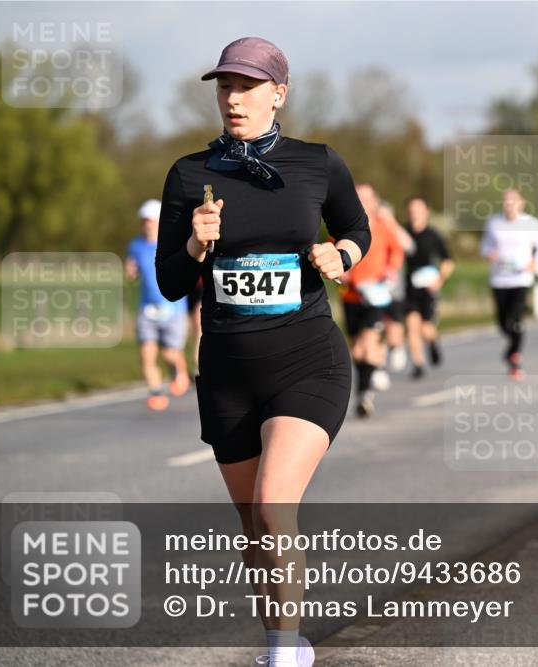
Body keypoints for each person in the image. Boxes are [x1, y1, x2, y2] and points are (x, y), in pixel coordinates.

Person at [155, 37, 370, 667]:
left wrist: (342, 255)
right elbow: (169, 282)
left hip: (307, 361)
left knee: (274, 505)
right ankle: (284, 641)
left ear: (278, 94)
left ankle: (283, 657)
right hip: (228, 374)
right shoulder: (189, 175)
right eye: (225, 86)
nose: (233, 98)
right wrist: (194, 246)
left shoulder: (317, 163)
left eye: (247, 87)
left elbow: (356, 228)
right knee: (255, 523)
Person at [338, 185, 406, 417]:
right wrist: (341, 270)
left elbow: (397, 251)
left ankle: (364, 393)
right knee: (357, 349)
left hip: (375, 294)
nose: (362, 202)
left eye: (367, 198)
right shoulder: (342, 225)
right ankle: (369, 378)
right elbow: (334, 252)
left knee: (369, 340)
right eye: (358, 197)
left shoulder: (383, 226)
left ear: (375, 202)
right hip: (351, 295)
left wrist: (391, 269)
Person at [481, 189, 538, 379]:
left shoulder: (531, 223)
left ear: (522, 203)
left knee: (516, 319)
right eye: (506, 201)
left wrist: (535, 263)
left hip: (521, 279)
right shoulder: (494, 222)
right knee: (503, 324)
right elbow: (485, 246)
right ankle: (511, 350)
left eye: (513, 201)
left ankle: (514, 357)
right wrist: (489, 254)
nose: (509, 205)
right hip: (499, 279)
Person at [126, 198, 190, 411]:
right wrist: (131, 272)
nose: (147, 224)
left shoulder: (172, 242)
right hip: (147, 308)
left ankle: (178, 371)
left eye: (150, 220)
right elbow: (132, 268)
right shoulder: (135, 245)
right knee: (147, 353)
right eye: (144, 221)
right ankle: (156, 392)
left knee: (169, 353)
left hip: (173, 307)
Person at [403, 197, 453, 379]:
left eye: (418, 210)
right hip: (410, 287)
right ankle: (418, 364)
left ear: (426, 212)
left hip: (428, 289)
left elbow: (448, 261)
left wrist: (439, 281)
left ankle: (432, 342)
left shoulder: (433, 235)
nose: (414, 214)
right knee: (412, 326)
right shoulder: (404, 233)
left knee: (425, 328)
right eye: (411, 210)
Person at [377, 201, 414, 373]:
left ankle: (396, 346)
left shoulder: (395, 231)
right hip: (373, 288)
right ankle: (378, 365)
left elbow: (410, 247)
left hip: (394, 289)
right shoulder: (372, 231)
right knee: (377, 327)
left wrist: (391, 223)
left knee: (394, 325)